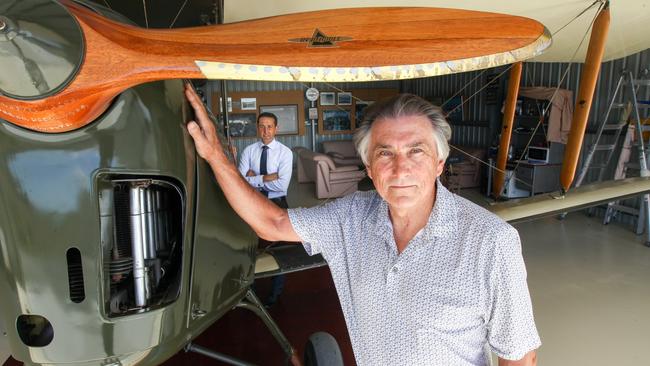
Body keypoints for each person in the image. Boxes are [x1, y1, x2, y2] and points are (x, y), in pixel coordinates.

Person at [185, 84, 540, 366]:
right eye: (385, 153)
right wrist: (217, 156)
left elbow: (520, 355)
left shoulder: (492, 241)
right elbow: (272, 222)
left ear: (439, 163)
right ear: (369, 168)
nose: (400, 170)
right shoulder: (351, 217)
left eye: (416, 151)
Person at [238, 111, 293, 308]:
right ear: (257, 128)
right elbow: (242, 182)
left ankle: (274, 296)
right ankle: (247, 292)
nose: (266, 130)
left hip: (276, 203)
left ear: (276, 129)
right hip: (252, 204)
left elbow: (282, 185)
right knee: (249, 247)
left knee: (276, 251)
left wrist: (254, 179)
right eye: (262, 126)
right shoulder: (248, 151)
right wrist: (266, 177)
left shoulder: (285, 153)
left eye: (269, 126)